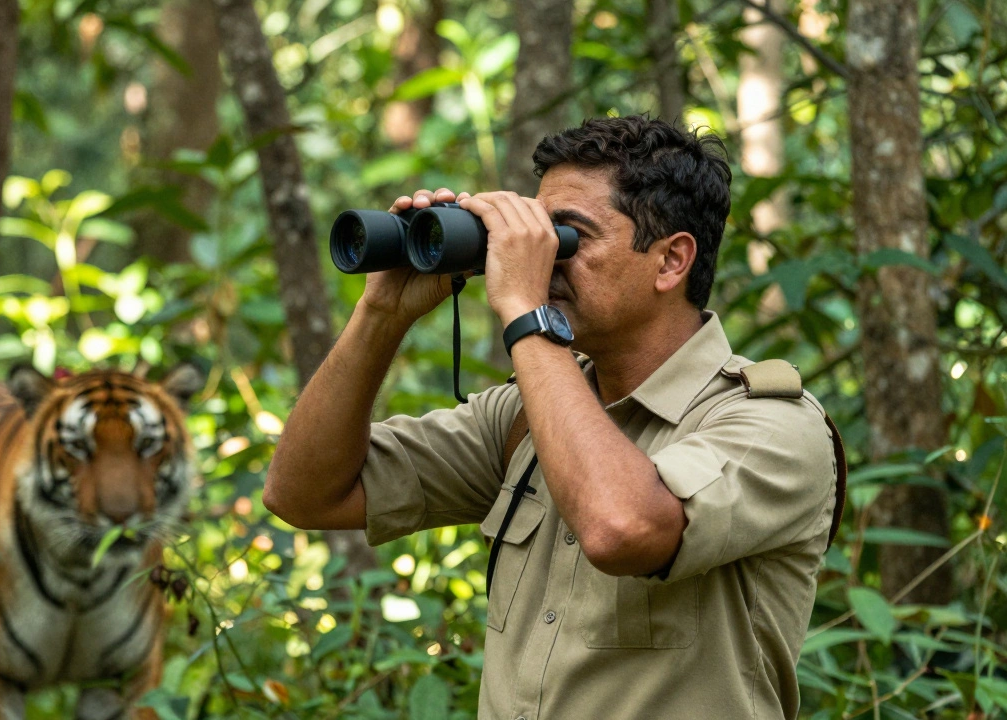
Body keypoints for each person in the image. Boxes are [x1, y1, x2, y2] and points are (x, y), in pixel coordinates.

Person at [265, 115, 839, 720]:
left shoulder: (774, 425)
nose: (544, 262)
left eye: (567, 239)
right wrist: (383, 311)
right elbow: (304, 495)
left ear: (671, 261)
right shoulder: (522, 416)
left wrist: (523, 308)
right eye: (536, 234)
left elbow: (621, 528)